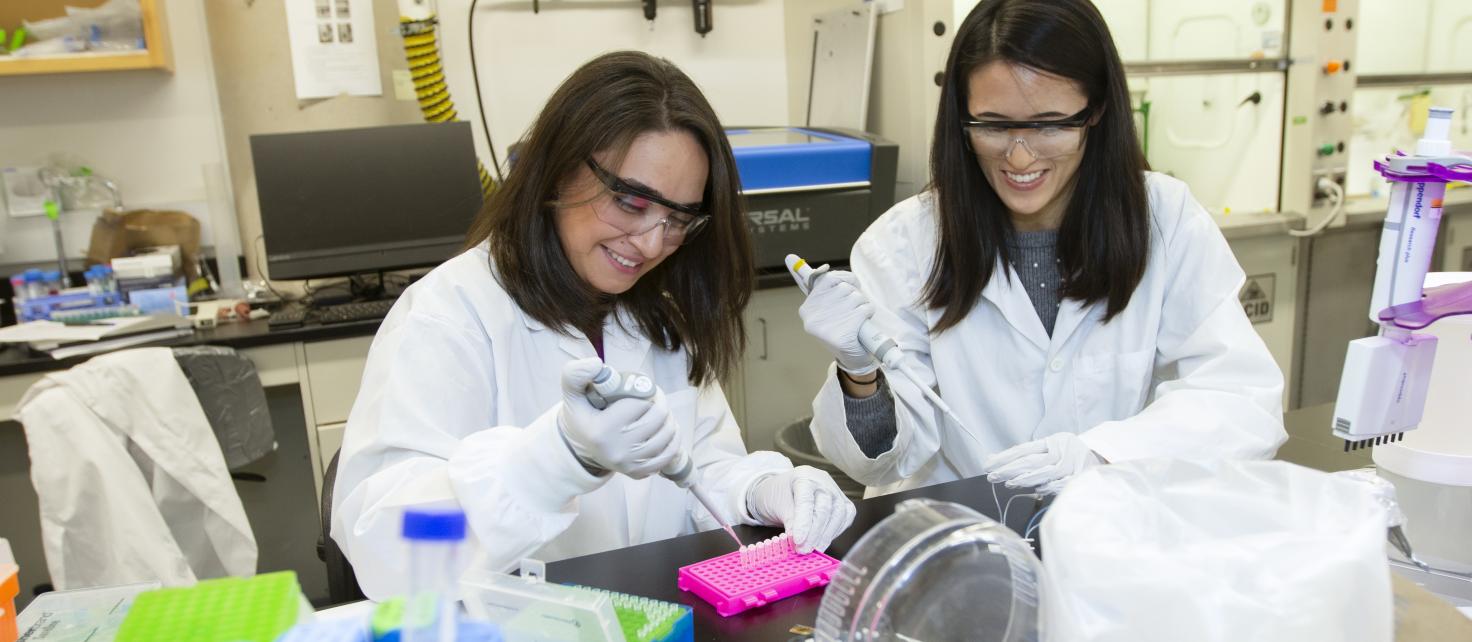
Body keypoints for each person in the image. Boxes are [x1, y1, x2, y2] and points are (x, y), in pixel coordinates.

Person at [332, 51, 855, 599]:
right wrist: (551, 462)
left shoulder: (652, 315)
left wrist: (763, 488)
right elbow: (388, 543)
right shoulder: (450, 317)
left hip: (646, 618)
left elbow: (697, 467)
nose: (653, 244)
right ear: (558, 169)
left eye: (678, 219)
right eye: (631, 202)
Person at [799, 0, 1286, 498]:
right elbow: (882, 464)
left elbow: (1241, 397)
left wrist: (1102, 454)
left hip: (1105, 525)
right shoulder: (903, 244)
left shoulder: (1164, 218)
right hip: (958, 538)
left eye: (1051, 123)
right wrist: (861, 377)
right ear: (961, 117)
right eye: (992, 124)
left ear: (1095, 110)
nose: (1020, 155)